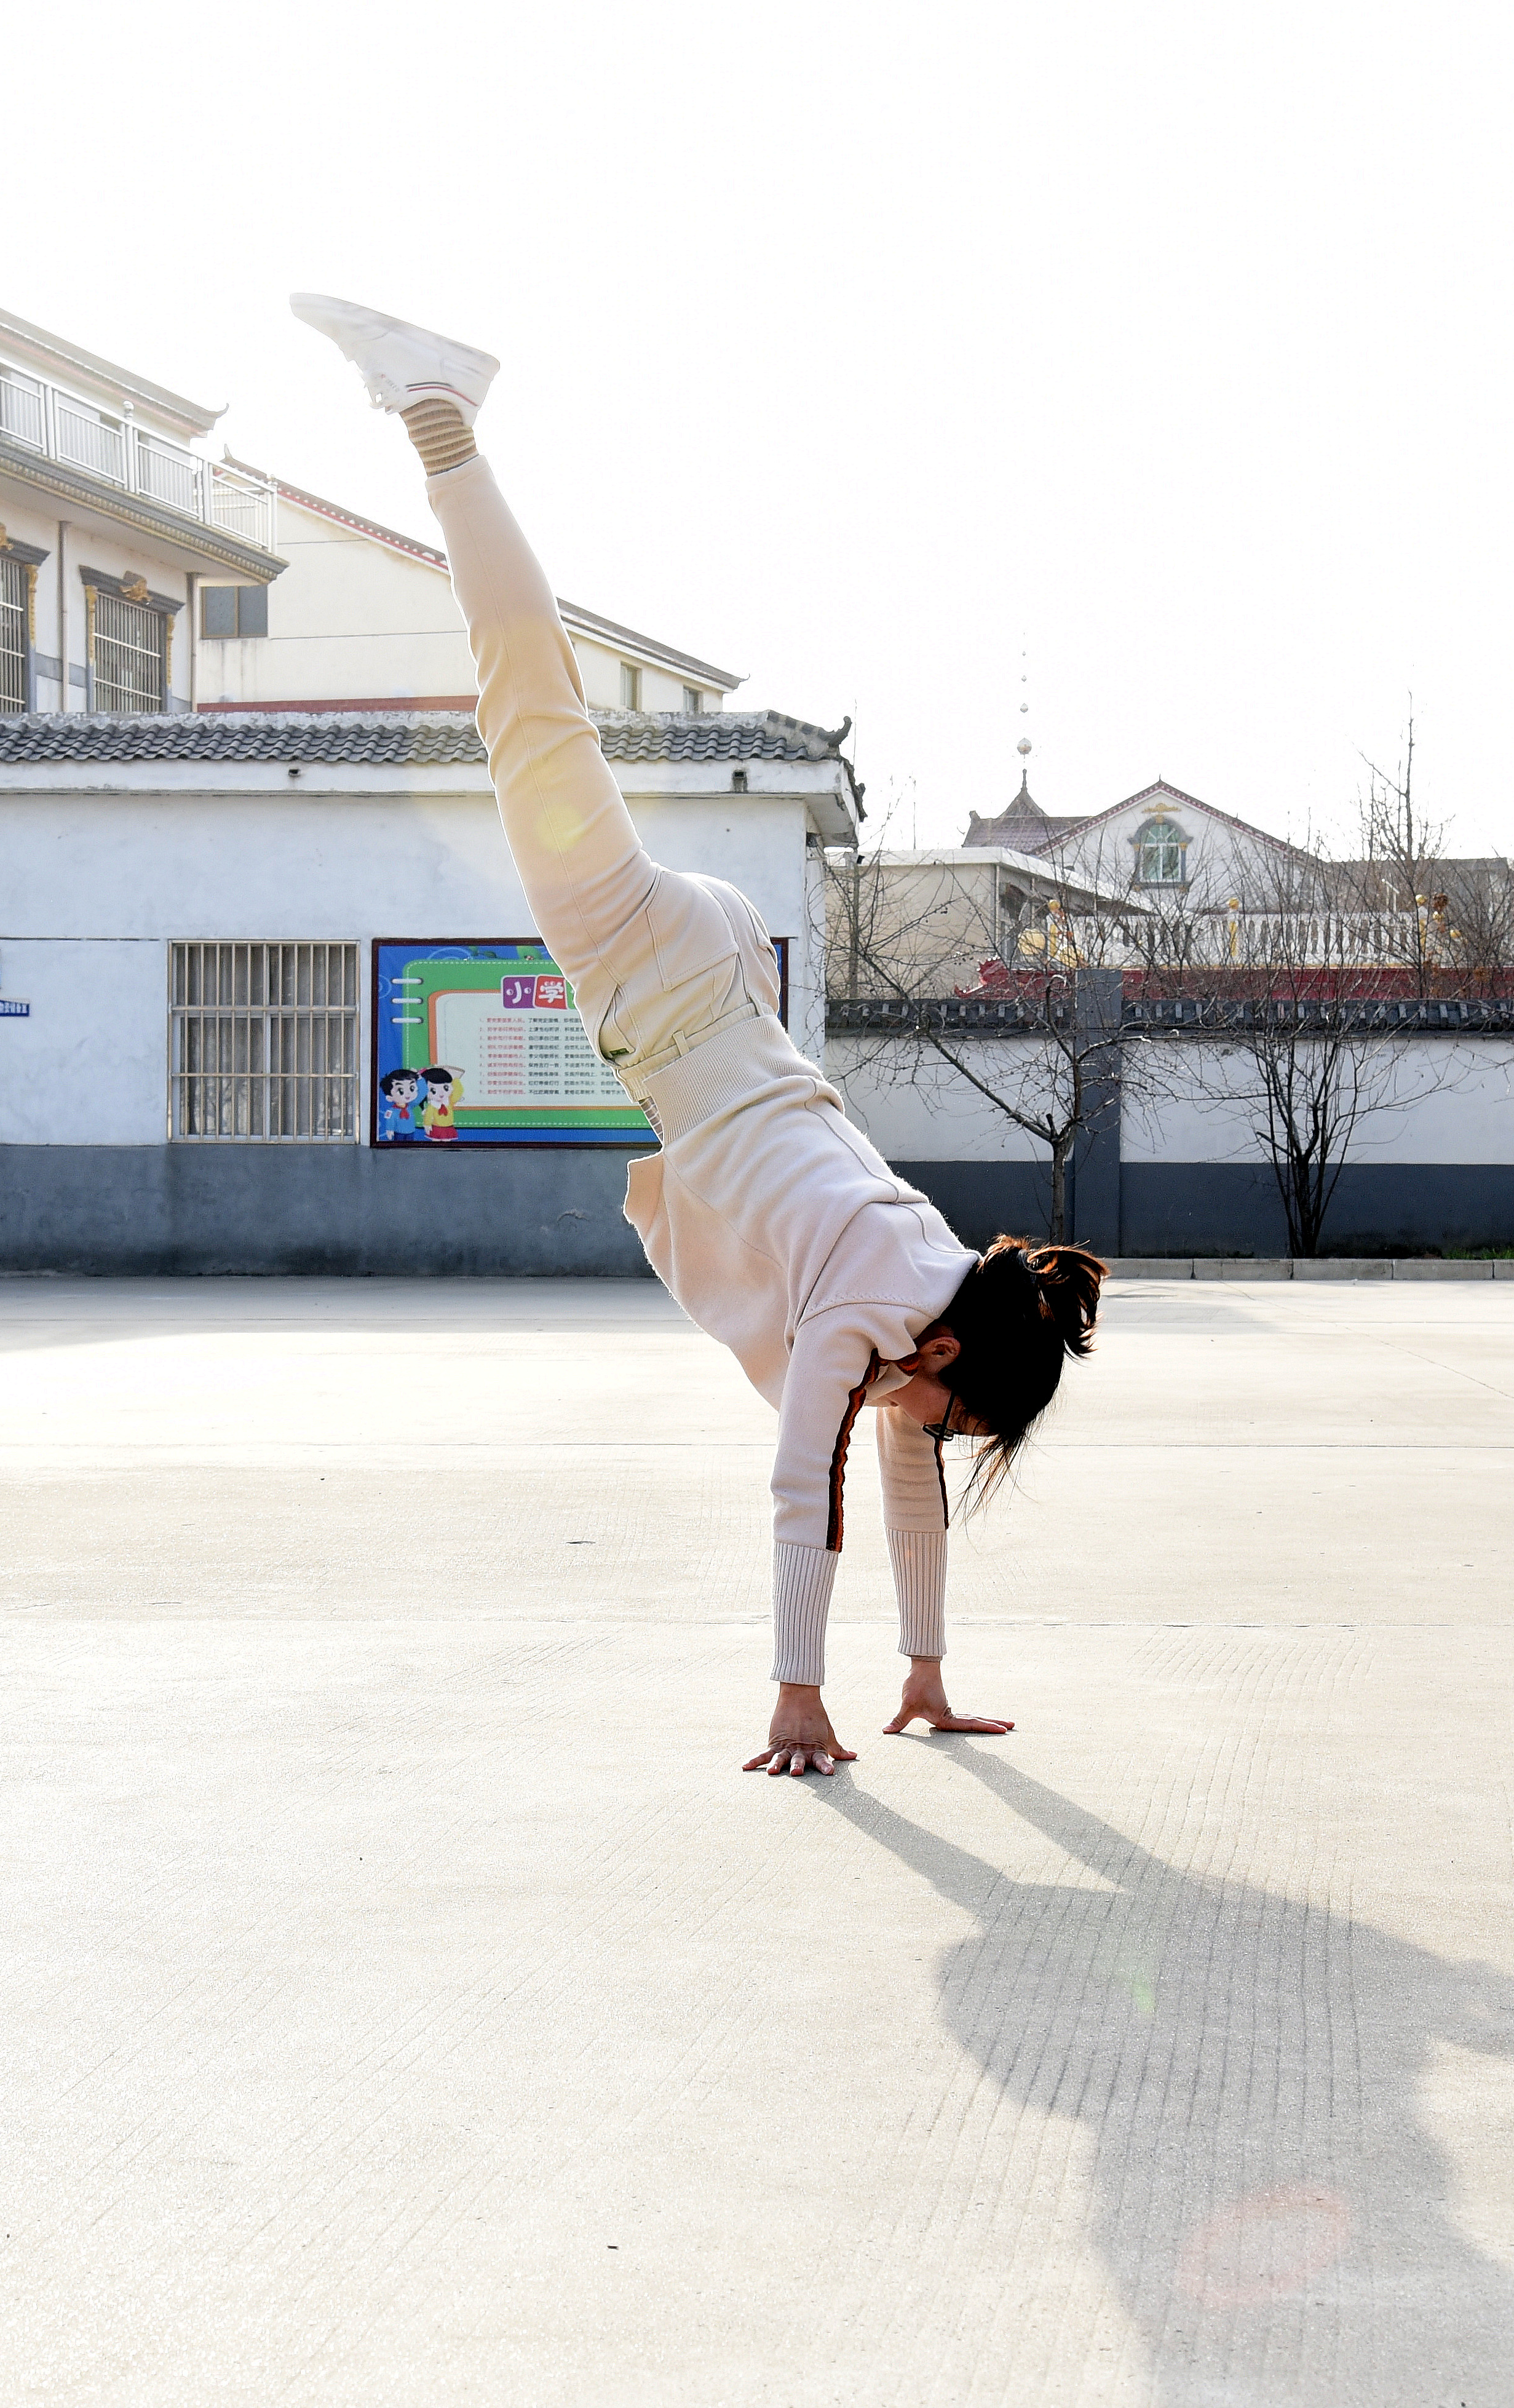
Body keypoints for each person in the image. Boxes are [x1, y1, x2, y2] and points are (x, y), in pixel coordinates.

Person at [294, 295, 1108, 1776]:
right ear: (940, 1351)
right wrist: (802, 1697)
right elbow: (807, 1489)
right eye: (951, 1407)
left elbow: (904, 1481)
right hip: (660, 983)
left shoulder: (937, 1278)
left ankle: (439, 419)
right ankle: (439, 415)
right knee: (528, 707)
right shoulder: (871, 1311)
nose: (927, 1427)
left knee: (534, 722)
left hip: (722, 988)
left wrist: (920, 1678)